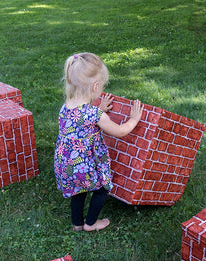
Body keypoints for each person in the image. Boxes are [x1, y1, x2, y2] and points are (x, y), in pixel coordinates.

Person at [54, 52, 142, 232]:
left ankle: (77, 224)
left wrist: (99, 108)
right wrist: (134, 119)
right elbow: (120, 131)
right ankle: (91, 223)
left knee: (78, 191)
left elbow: (81, 121)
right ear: (95, 86)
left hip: (67, 165)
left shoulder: (67, 105)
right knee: (102, 189)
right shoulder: (95, 115)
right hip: (85, 165)